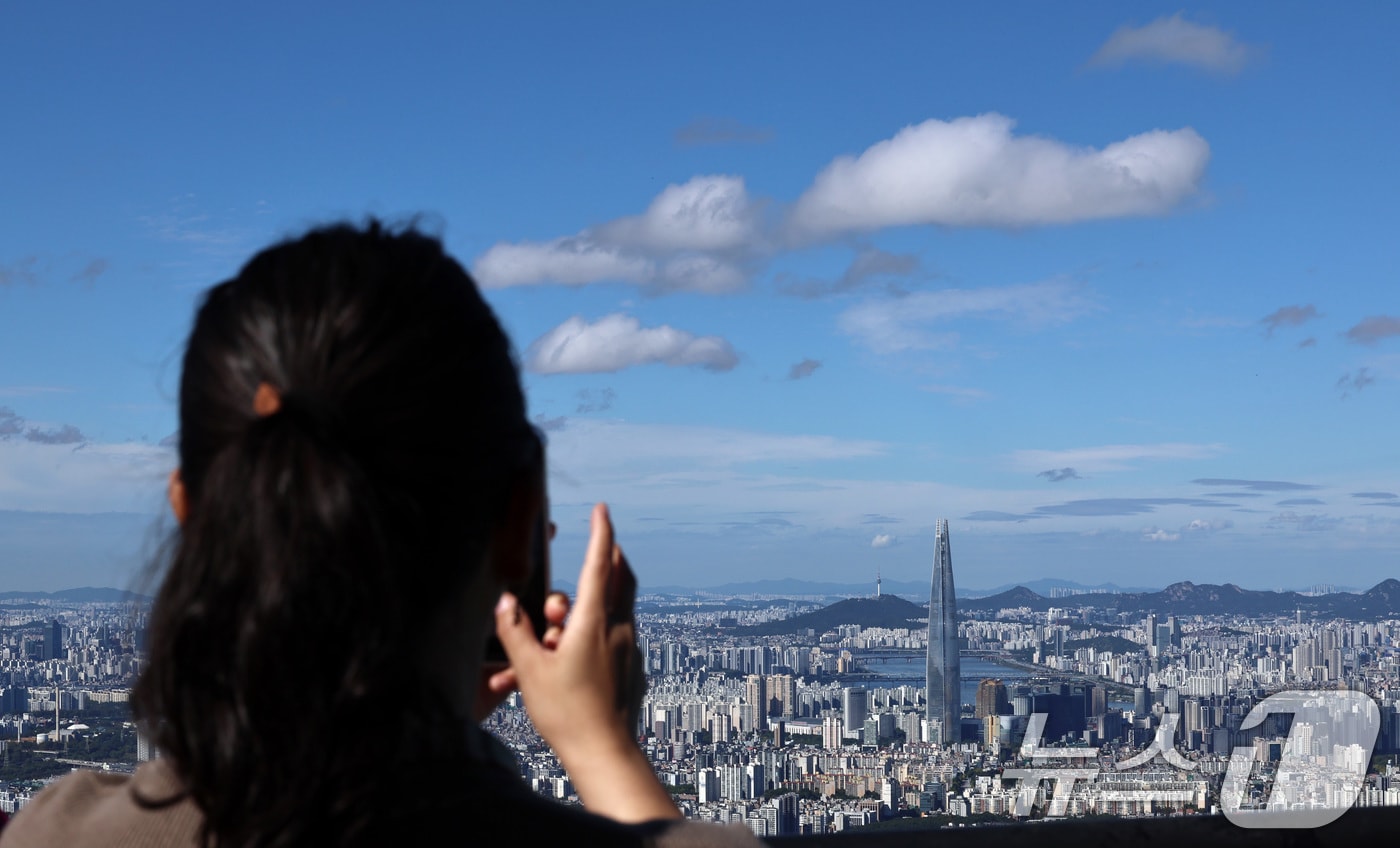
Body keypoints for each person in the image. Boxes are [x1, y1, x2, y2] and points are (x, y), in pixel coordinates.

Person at [0, 222, 762, 847]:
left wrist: (390, 711)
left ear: (194, 516)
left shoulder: (56, 833)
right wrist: (601, 743)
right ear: (522, 517)